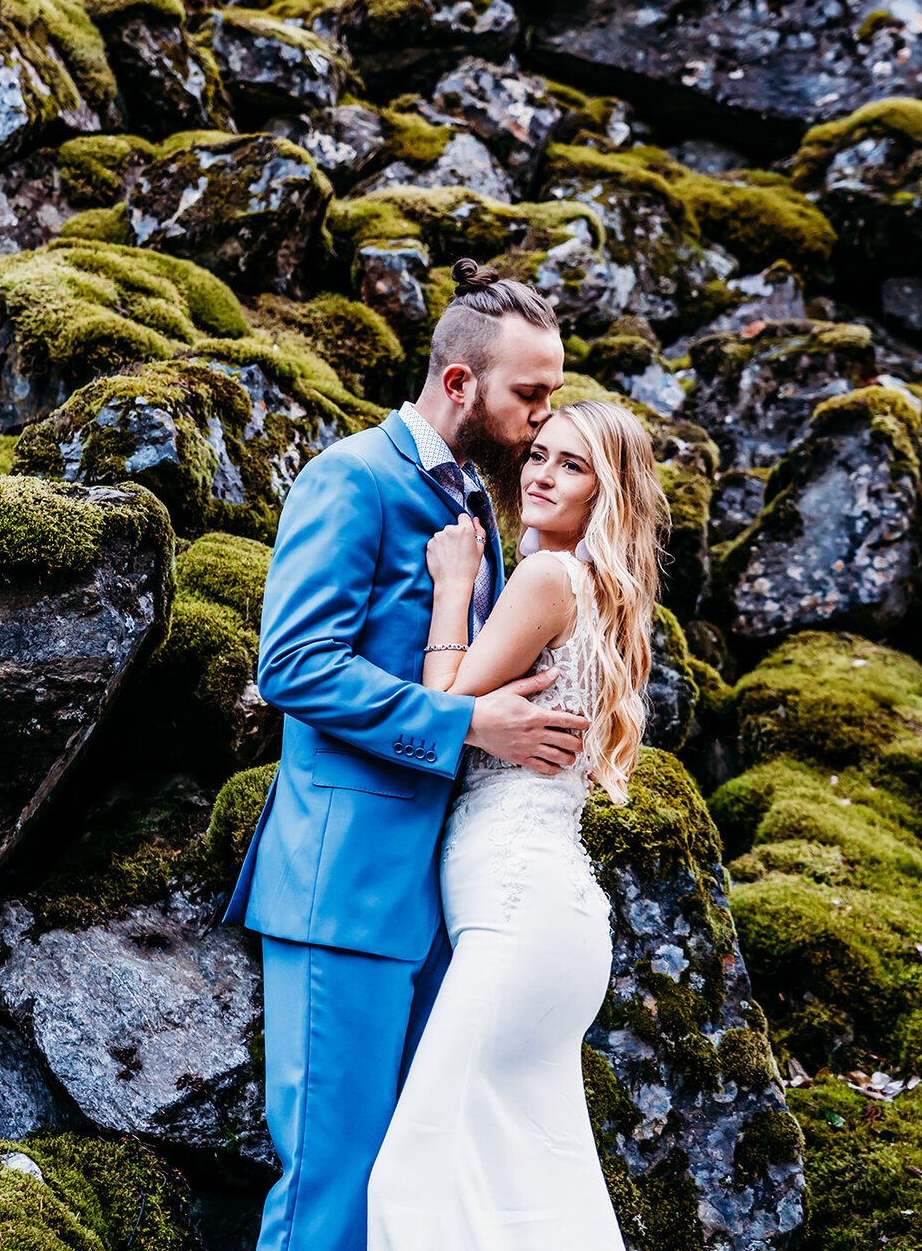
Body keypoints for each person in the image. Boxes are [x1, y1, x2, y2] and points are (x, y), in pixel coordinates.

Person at [223, 260, 589, 1251]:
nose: (541, 417)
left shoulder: (481, 505)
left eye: (551, 394)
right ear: (461, 383)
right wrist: (469, 725)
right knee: (329, 1192)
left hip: (449, 895)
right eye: (529, 393)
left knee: (411, 1195)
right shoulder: (351, 476)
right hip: (341, 888)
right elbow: (294, 665)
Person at [367, 397, 669, 1249]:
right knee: (531, 1193)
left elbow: (434, 710)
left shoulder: (548, 578)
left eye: (572, 465)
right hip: (550, 914)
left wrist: (455, 586)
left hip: (518, 908)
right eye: (539, 454)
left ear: (606, 493)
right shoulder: (604, 592)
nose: (541, 473)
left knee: (414, 1181)